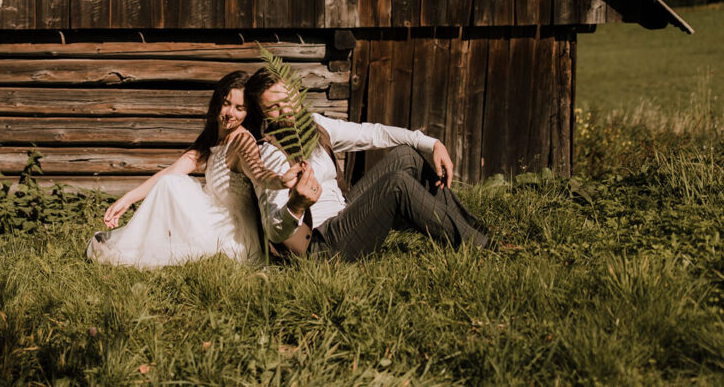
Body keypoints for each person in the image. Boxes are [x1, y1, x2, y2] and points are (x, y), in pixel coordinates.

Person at [243, 68, 489, 261]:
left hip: (346, 213)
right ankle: (481, 248)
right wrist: (296, 205)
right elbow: (274, 229)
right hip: (322, 244)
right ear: (263, 114)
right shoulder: (271, 154)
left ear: (297, 93)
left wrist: (431, 143)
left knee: (406, 155)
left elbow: (372, 134)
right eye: (273, 108)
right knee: (396, 184)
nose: (286, 110)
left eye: (288, 99)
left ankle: (474, 229)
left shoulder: (315, 124)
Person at [86, 71, 296, 268]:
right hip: (211, 217)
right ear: (217, 103)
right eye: (226, 104)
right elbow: (172, 170)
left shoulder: (241, 140)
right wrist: (128, 199)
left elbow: (257, 171)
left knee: (172, 186)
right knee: (170, 181)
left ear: (248, 112)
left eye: (239, 108)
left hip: (232, 234)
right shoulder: (215, 138)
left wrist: (280, 181)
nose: (230, 113)